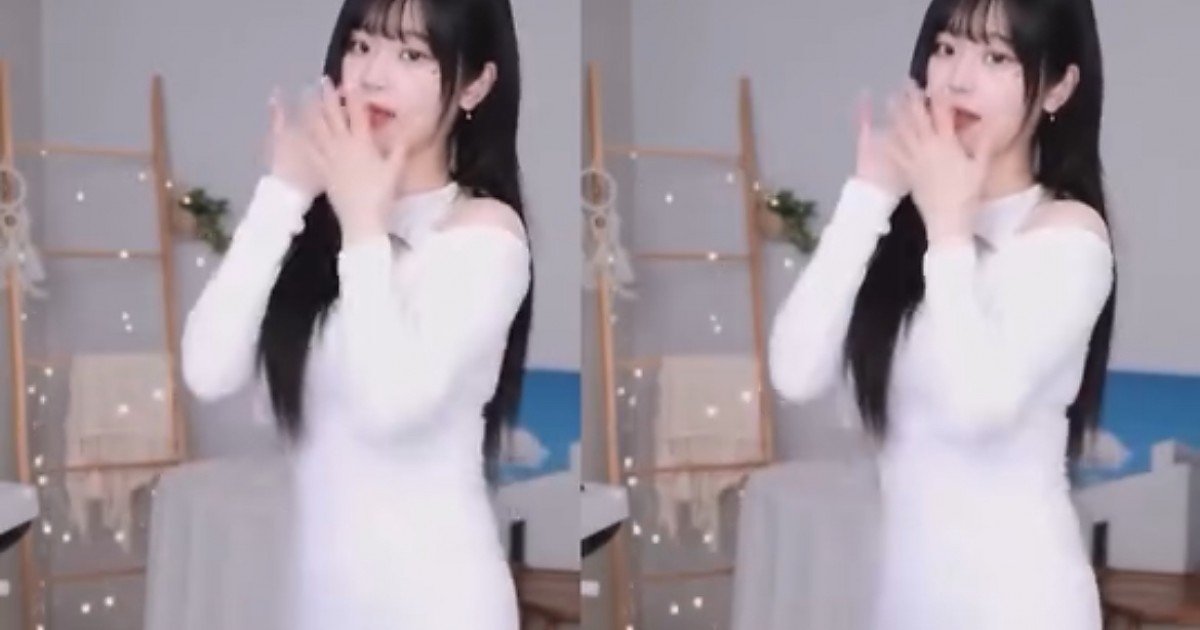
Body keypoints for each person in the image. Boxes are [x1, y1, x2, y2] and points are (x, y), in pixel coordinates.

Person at [179, 0, 533, 627]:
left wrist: (363, 223)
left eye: (412, 54)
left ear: (476, 84)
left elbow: (389, 404)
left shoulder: (484, 233)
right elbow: (208, 371)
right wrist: (284, 191)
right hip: (318, 605)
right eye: (361, 45)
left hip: (438, 606)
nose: (372, 76)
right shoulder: (320, 223)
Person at [767, 0, 1115, 628]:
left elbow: (978, 405)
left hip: (1022, 606)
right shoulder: (909, 228)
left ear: (1059, 87)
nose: (958, 79)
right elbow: (795, 373)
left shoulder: (1067, 233)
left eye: (997, 57)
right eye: (947, 48)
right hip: (905, 605)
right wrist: (868, 195)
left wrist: (949, 228)